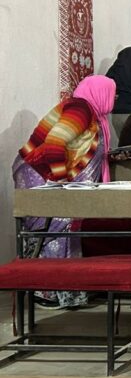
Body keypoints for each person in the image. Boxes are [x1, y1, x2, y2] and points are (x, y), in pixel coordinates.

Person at [12, 75, 116, 308]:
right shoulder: (80, 110)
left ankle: (64, 291)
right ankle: (47, 292)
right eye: (112, 93)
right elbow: (54, 145)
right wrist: (58, 181)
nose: (114, 98)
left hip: (59, 180)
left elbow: (81, 149)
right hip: (44, 176)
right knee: (54, 230)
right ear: (100, 93)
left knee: (64, 230)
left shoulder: (92, 113)